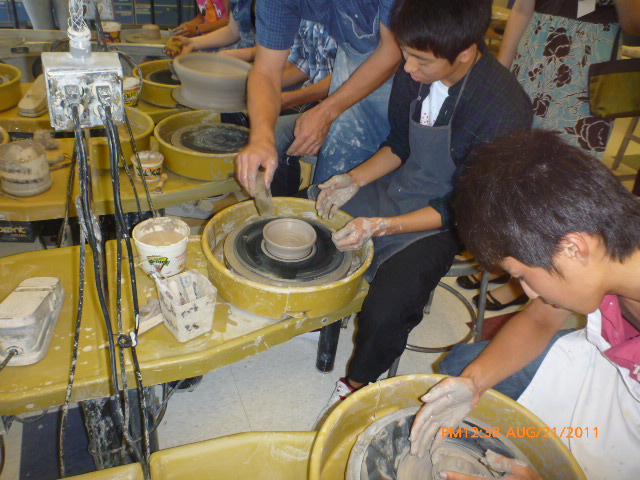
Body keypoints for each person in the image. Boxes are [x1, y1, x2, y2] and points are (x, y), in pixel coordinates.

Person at [315, 0, 532, 419]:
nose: (408, 67)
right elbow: (400, 144)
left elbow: (463, 205)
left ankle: (357, 384)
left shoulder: (502, 107)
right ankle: (320, 314)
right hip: (403, 183)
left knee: (388, 306)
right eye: (405, 53)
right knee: (315, 224)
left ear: (465, 52)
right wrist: (354, 179)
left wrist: (382, 226)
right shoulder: (414, 73)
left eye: (421, 61)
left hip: (454, 217)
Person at [410, 129, 640, 480]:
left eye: (522, 275)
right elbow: (540, 319)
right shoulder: (604, 242)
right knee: (461, 368)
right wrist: (473, 383)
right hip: (604, 366)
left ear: (574, 249)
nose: (528, 292)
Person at [457, 0, 640, 312]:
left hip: (589, 56)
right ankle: (510, 260)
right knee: (513, 164)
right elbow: (521, 9)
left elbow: (635, 25)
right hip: (535, 49)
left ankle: (533, 278)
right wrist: (502, 72)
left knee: (558, 179)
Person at [235, 0, 403, 196]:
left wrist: (325, 112)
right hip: (350, 69)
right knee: (330, 191)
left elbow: (393, 51)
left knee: (387, 183)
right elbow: (266, 71)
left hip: (409, 82)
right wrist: (261, 138)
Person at [166, 0, 255, 56]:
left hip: (257, 58)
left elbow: (227, 20)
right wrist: (191, 43)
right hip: (235, 46)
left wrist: (198, 29)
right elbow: (233, 31)